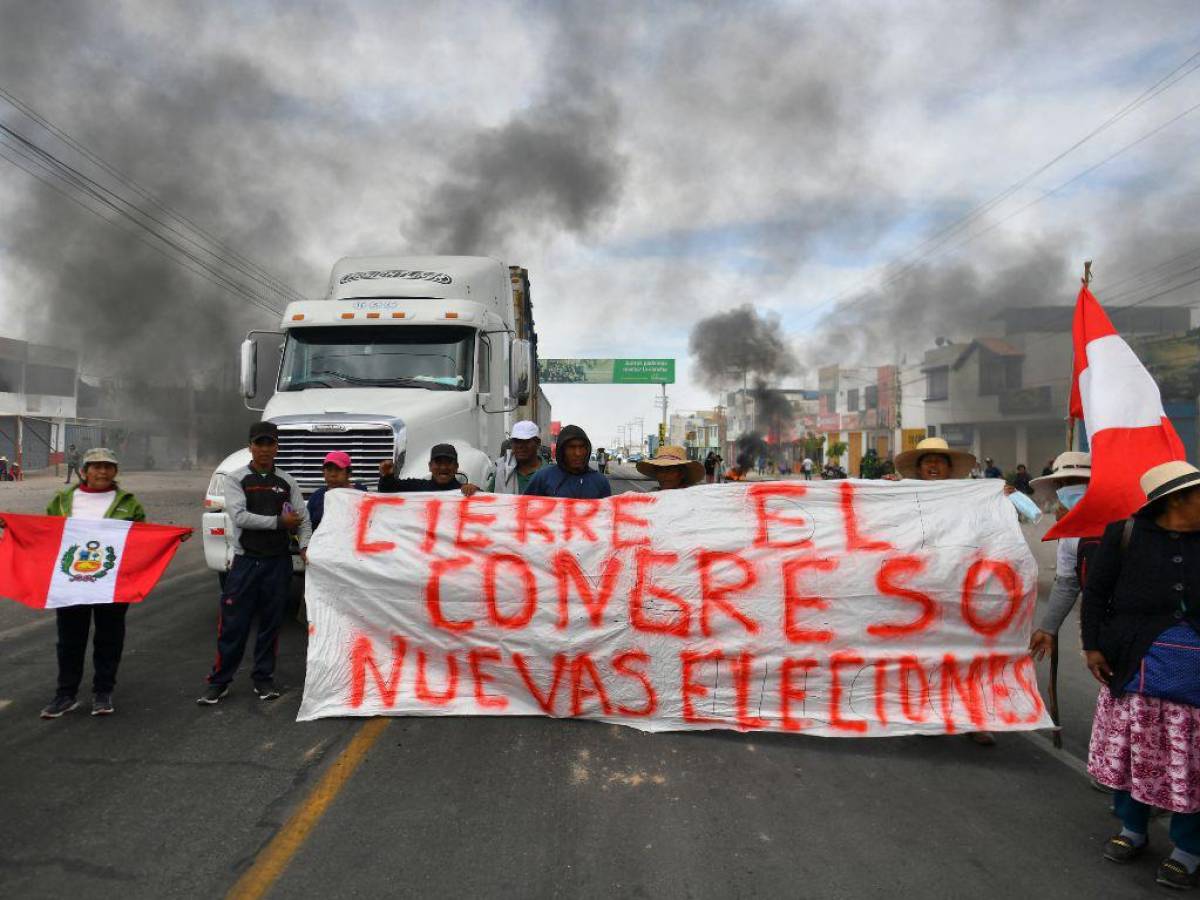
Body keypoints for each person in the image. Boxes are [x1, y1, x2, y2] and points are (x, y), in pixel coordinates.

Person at [1082, 461, 1200, 889]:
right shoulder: (1125, 535)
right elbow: (1096, 593)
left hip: (1194, 682)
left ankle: (1188, 847)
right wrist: (1092, 645)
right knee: (1137, 751)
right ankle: (1132, 829)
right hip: (1134, 668)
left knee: (1190, 761)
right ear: (1176, 500)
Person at [197, 421, 310, 705]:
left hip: (278, 562)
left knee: (271, 626)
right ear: (250, 446)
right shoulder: (236, 479)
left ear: (277, 447)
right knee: (234, 625)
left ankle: (263, 679)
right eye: (259, 443)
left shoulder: (287, 481)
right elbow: (239, 517)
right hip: (246, 562)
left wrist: (306, 545)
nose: (264, 449)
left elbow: (303, 518)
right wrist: (278, 522)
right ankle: (219, 681)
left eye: (270, 443)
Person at [894, 436, 997, 746]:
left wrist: (1001, 497)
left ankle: (974, 719)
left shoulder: (971, 498)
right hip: (919, 591)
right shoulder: (901, 497)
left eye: (940, 461)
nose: (934, 465)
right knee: (923, 657)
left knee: (967, 656)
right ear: (919, 467)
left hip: (962, 590)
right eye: (928, 461)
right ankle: (925, 715)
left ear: (950, 468)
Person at [39, 448, 150, 718]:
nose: (102, 471)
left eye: (108, 467)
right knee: (69, 640)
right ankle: (65, 695)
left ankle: (103, 692)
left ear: (115, 472)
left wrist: (170, 538)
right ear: (85, 470)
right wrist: (16, 528)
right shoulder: (63, 500)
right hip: (71, 583)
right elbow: (45, 533)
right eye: (96, 466)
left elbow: (143, 538)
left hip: (111, 584)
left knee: (109, 638)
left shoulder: (128, 502)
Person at [1027, 452, 1094, 662]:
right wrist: (1049, 628)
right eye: (1062, 484)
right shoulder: (1069, 534)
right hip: (1098, 628)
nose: (1067, 489)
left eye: (1074, 482)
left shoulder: (1124, 521)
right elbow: (1067, 583)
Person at [524, 424, 611, 499]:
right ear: (562, 450)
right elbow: (523, 510)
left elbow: (608, 515)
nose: (578, 453)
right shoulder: (543, 478)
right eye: (571, 447)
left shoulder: (600, 482)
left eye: (582, 447)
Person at [378, 444, 480, 495]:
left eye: (448, 462)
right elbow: (387, 491)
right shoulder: (417, 487)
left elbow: (489, 505)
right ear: (430, 466)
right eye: (438, 462)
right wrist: (387, 476)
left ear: (457, 466)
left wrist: (476, 492)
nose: (443, 467)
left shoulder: (465, 491)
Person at [306, 451, 368, 530]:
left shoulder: (362, 495)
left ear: (349, 473)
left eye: (338, 469)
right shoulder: (317, 497)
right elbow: (306, 526)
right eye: (329, 470)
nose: (333, 474)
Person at [488, 421, 545, 495]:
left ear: (538, 443)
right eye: (516, 441)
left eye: (526, 441)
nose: (520, 446)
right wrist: (476, 492)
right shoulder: (502, 471)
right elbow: (488, 497)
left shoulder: (550, 474)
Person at [636, 445, 704, 491]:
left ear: (682, 473)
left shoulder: (692, 498)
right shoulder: (652, 496)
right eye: (660, 470)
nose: (664, 475)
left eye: (669, 470)